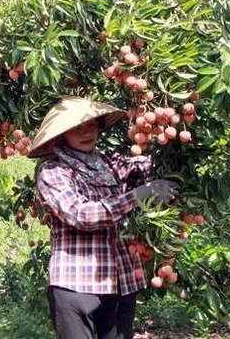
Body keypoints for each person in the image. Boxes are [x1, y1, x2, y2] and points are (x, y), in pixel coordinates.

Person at [27, 96, 178, 339]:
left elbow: (148, 165)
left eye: (90, 125)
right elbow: (81, 214)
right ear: (62, 135)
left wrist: (174, 135)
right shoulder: (54, 171)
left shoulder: (110, 163)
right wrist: (139, 195)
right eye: (76, 128)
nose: (85, 133)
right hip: (75, 283)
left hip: (120, 281)